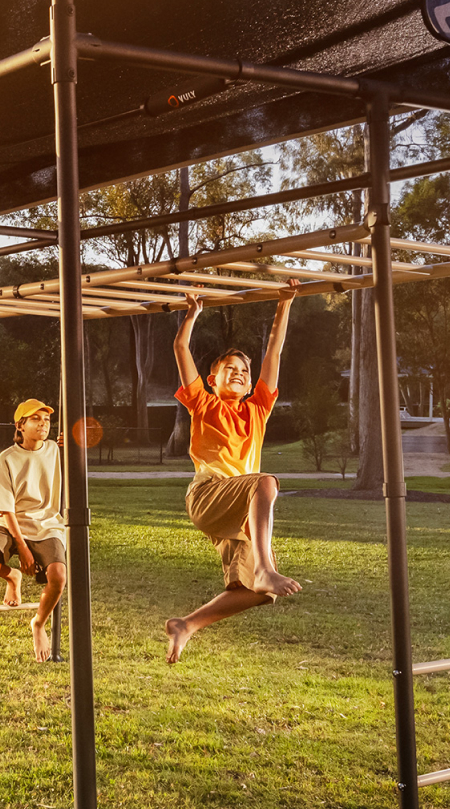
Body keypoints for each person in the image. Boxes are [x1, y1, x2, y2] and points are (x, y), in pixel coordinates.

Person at [163, 280, 302, 664]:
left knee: (258, 592)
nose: (239, 373)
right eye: (230, 369)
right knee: (265, 482)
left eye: (244, 370)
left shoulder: (257, 408)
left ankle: (186, 625)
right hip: (210, 493)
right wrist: (192, 315)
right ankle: (266, 566)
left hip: (240, 507)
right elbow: (179, 348)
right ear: (213, 379)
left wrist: (284, 304)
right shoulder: (202, 403)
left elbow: (274, 351)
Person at [0, 399, 66, 661]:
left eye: (47, 420)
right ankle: (12, 577)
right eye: (36, 419)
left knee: (59, 576)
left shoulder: (55, 449)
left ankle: (39, 623)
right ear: (20, 425)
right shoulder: (7, 458)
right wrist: (23, 548)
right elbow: (6, 510)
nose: (43, 424)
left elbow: (76, 447)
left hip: (47, 525)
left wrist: (73, 443)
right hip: (12, 525)